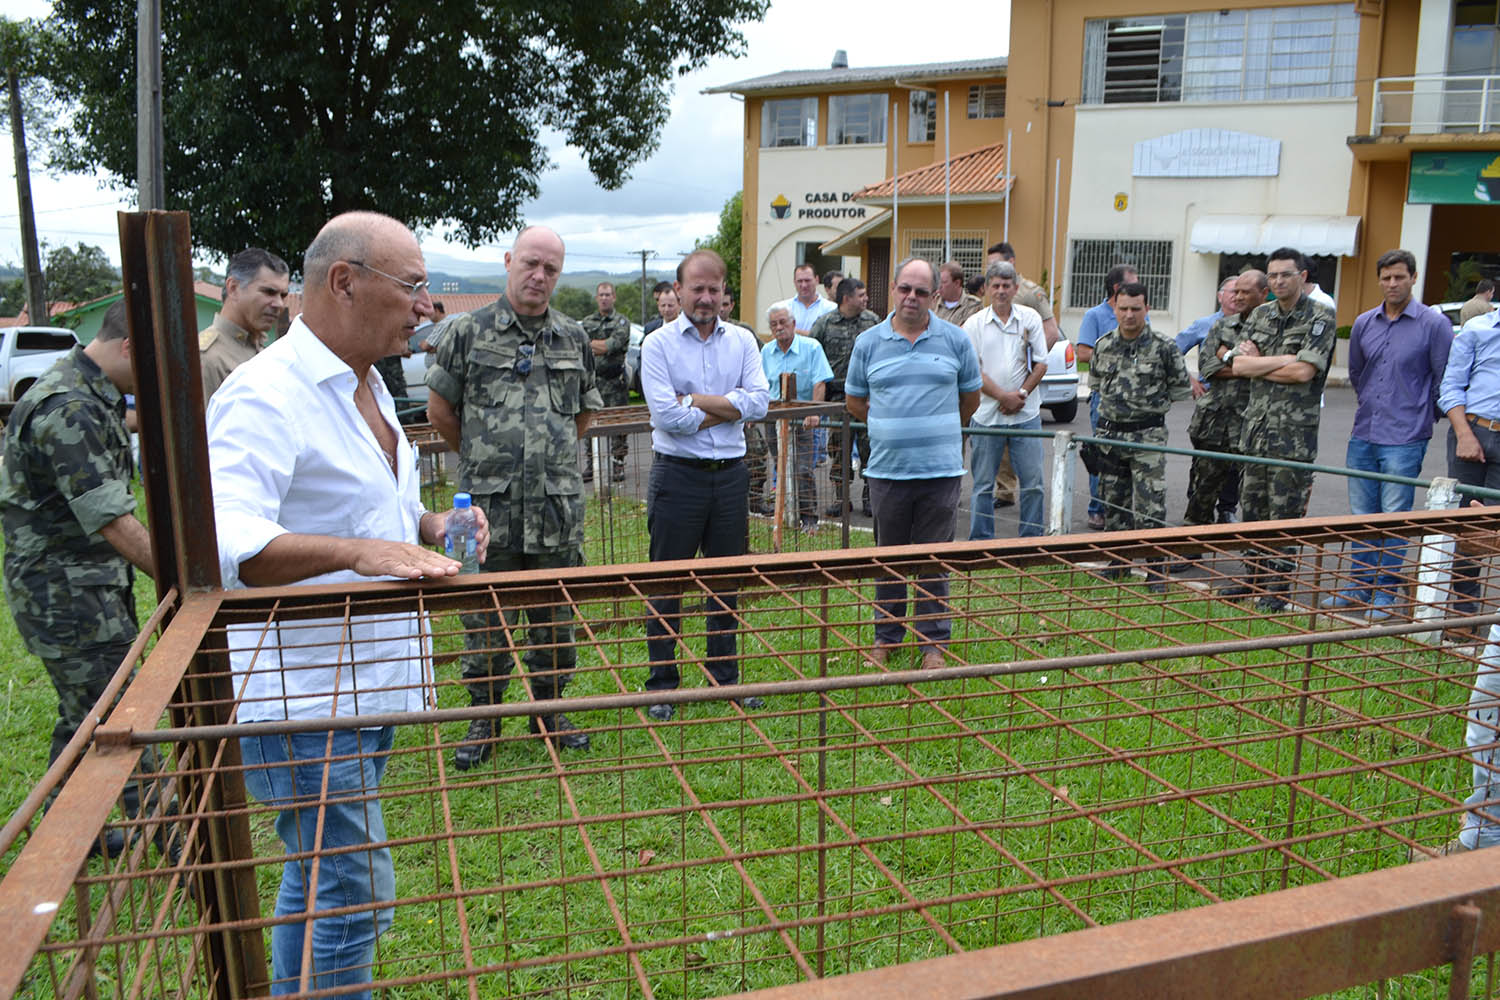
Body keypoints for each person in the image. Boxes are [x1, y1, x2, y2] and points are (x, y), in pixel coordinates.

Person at [208, 211, 481, 999]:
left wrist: (429, 525)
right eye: (413, 286)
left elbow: (370, 515)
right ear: (344, 281)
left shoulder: (368, 384)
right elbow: (233, 542)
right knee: (356, 897)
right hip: (303, 695)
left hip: (368, 681)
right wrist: (363, 554)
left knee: (321, 879)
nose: (426, 306)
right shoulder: (266, 395)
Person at [427, 226, 601, 762]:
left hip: (554, 508)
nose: (539, 276)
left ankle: (549, 711)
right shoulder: (466, 331)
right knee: (484, 615)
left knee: (554, 615)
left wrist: (543, 465)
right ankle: (484, 719)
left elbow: (585, 412)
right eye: (530, 263)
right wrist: (486, 463)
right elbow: (440, 412)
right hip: (483, 511)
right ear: (508, 261)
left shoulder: (572, 337)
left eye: (551, 268)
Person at [1, 300, 164, 859]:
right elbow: (113, 519)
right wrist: (183, 578)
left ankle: (63, 834)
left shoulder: (89, 392)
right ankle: (181, 840)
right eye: (155, 363)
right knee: (120, 713)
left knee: (84, 713)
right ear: (127, 349)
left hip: (79, 585)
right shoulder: (68, 405)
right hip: (65, 596)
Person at [639, 249, 769, 720]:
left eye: (715, 289)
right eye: (697, 288)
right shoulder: (656, 345)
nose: (706, 297)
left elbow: (760, 403)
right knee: (666, 582)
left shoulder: (743, 342)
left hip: (731, 478)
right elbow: (666, 417)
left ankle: (723, 681)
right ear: (678, 290)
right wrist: (726, 407)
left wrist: (694, 398)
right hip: (677, 477)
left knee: (724, 582)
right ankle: (663, 685)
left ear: (724, 293)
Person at [845, 257, 981, 670]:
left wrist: (936, 430)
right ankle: (885, 638)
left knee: (934, 560)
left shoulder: (956, 341)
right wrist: (890, 425)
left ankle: (932, 645)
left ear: (935, 295)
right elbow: (854, 400)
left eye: (922, 292)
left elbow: (970, 398)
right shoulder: (869, 342)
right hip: (886, 472)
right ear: (893, 289)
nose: (912, 298)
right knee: (888, 559)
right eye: (905, 289)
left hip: (940, 472)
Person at [1322, 249, 1451, 619]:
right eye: (1386, 278)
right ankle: (1358, 585)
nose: (1392, 284)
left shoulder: (1432, 324)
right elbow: (1359, 374)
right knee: (1362, 515)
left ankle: (1386, 592)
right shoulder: (1365, 323)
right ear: (1379, 280)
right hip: (1364, 432)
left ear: (1413, 278)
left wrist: (1421, 415)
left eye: (1399, 277)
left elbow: (1444, 378)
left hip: (1406, 436)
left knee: (1395, 516)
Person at [1218, 247, 1337, 612]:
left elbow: (1304, 373)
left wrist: (1262, 363)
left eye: (1286, 274)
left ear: (1302, 277)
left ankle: (1278, 586)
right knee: (1252, 508)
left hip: (1292, 437)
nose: (1279, 281)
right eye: (1273, 275)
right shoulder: (1262, 315)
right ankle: (1252, 576)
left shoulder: (1320, 317)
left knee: (1284, 514)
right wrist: (1283, 359)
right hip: (1255, 431)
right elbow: (1237, 366)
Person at [1090, 281, 1191, 586]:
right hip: (1110, 438)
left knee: (1150, 507)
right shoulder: (1103, 344)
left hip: (1147, 437)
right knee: (1114, 504)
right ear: (1114, 308)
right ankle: (1117, 564)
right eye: (1123, 309)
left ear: (1147, 309)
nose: (1129, 315)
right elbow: (1096, 386)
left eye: (1136, 309)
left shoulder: (1164, 347)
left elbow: (1179, 389)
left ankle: (1156, 569)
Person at [963, 260, 1048, 538]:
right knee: (983, 485)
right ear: (987, 289)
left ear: (1015, 288)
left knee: (1033, 483)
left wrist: (1020, 395)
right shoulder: (974, 324)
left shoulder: (1030, 318)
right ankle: (981, 542)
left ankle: (1031, 542)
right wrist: (1002, 396)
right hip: (987, 416)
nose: (1001, 291)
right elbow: (972, 370)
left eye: (1006, 286)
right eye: (995, 285)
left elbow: (1041, 364)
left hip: (1026, 414)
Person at [1182, 270, 1264, 534]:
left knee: (1254, 492)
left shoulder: (1272, 328)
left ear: (1263, 294)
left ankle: (1254, 559)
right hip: (1214, 422)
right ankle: (1191, 548)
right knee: (1202, 488)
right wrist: (1251, 364)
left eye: (1245, 292)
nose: (1238, 297)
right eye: (1235, 291)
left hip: (1254, 422)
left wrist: (1226, 355)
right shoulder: (1221, 326)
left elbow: (1280, 366)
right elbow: (1208, 367)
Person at [1439, 293, 1500, 625]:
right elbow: (1451, 386)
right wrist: (1463, 433)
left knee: (1496, 523)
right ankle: (1463, 611)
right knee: (1467, 522)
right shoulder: (1477, 329)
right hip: (1472, 431)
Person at [1075, 264, 1139, 530]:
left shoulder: (1138, 313)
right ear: (1117, 289)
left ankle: (1122, 510)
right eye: (1133, 283)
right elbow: (1083, 353)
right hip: (1104, 397)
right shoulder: (1095, 315)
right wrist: (1118, 357)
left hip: (1134, 399)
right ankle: (1097, 509)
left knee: (1129, 457)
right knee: (1102, 455)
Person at [761, 304, 834, 531]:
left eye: (783, 322)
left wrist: (813, 411)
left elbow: (820, 381)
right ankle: (783, 513)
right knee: (780, 466)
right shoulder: (767, 351)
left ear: (793, 324)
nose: (779, 328)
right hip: (774, 417)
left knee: (802, 468)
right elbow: (762, 386)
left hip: (802, 417)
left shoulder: (811, 347)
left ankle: (810, 519)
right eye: (774, 324)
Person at [810, 277, 880, 517]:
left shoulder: (873, 322)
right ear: (847, 298)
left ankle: (871, 498)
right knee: (838, 451)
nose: (866, 299)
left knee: (870, 449)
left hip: (868, 399)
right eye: (861, 295)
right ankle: (842, 499)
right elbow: (813, 359)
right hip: (838, 400)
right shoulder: (824, 324)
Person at [199, 247, 290, 401]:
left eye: (283, 295)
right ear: (233, 288)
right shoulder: (209, 359)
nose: (279, 304)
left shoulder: (262, 350)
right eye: (269, 292)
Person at [582, 280, 633, 483]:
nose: (604, 298)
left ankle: (618, 464)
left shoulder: (622, 322)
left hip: (615, 382)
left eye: (607, 294)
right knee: (588, 424)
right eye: (601, 295)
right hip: (593, 382)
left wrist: (594, 345)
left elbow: (612, 345)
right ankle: (590, 465)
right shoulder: (587, 322)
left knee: (618, 425)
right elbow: (582, 346)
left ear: (614, 297)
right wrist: (597, 346)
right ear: (596, 298)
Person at [782, 262, 836, 334]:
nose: (804, 285)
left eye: (807, 280)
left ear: (816, 280)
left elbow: (830, 336)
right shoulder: (784, 308)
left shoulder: (831, 308)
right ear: (794, 282)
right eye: (800, 281)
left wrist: (793, 332)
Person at [933, 261, 984, 326]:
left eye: (944, 282)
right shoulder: (933, 302)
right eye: (938, 282)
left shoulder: (973, 305)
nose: (939, 286)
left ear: (957, 283)